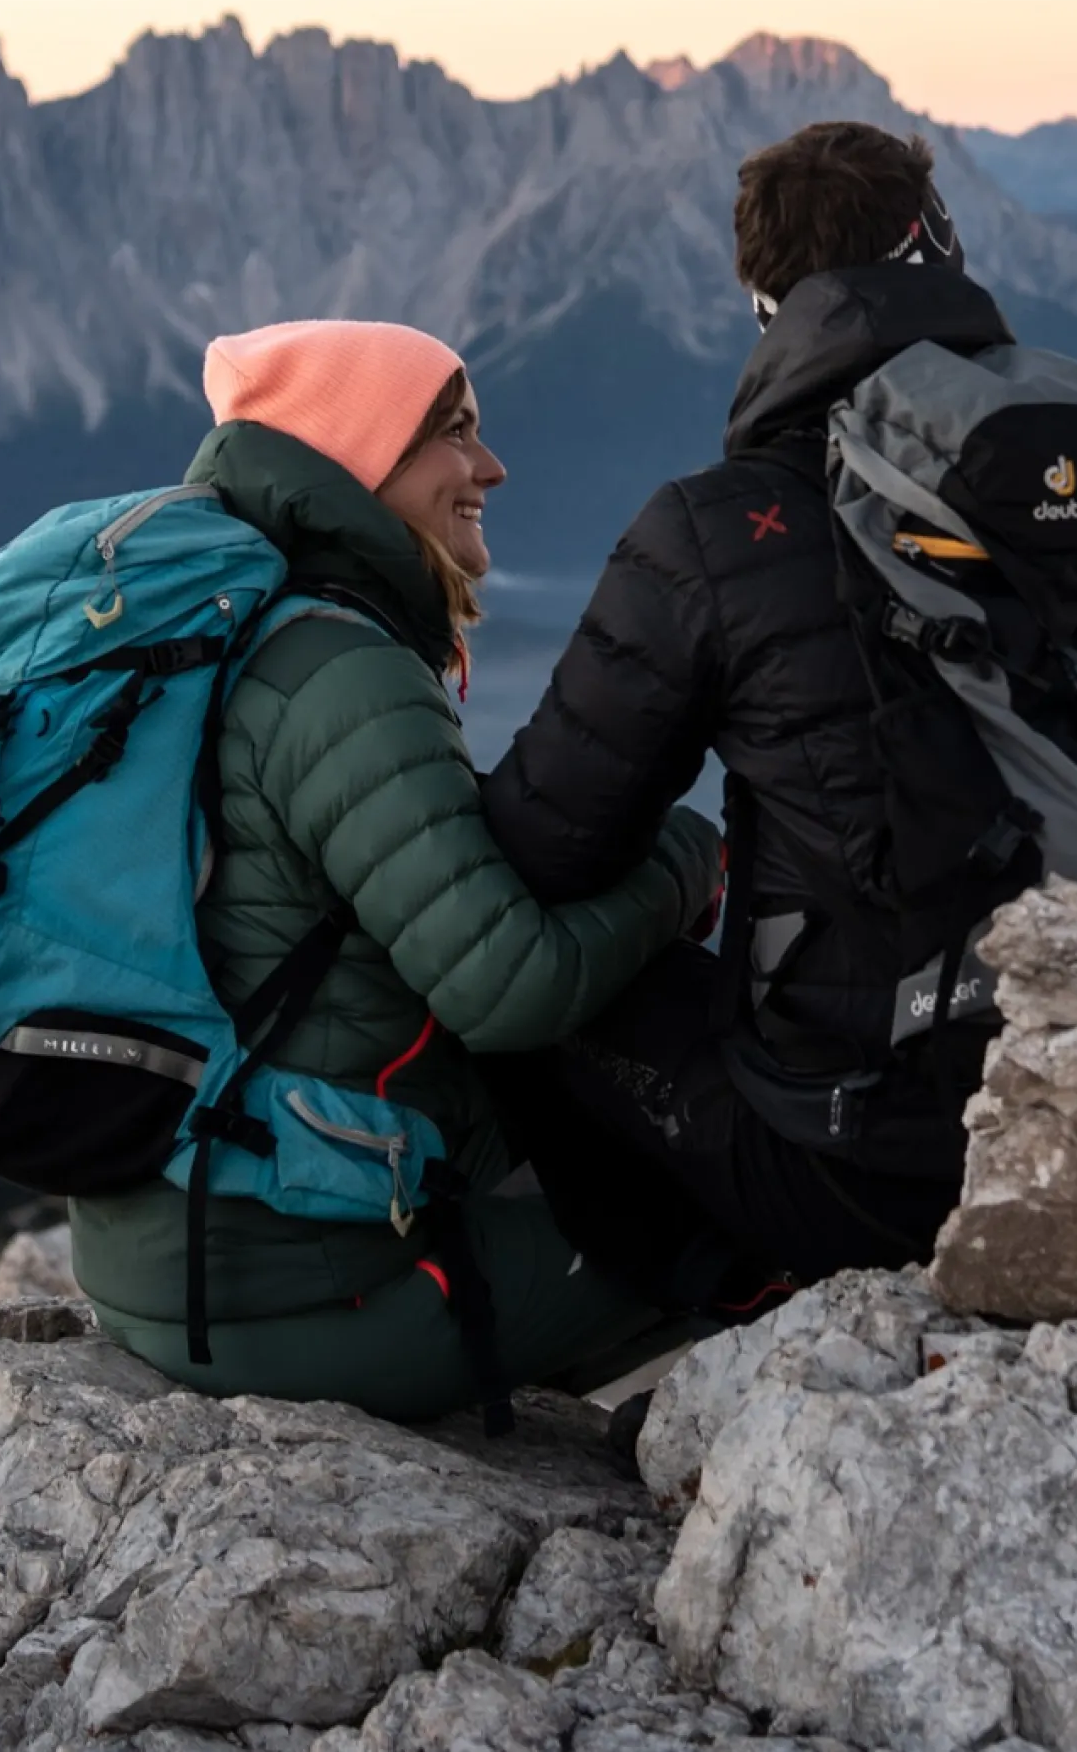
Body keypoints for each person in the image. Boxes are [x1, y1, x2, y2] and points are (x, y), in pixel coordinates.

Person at [68, 317, 725, 1417]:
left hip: (176, 1265)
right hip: (303, 1300)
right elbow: (503, 987)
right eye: (453, 434)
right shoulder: (337, 672)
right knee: (743, 1211)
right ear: (361, 454)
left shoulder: (239, 634)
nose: (491, 467)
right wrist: (686, 864)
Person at [480, 122, 1019, 1284]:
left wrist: (685, 867)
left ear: (762, 301)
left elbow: (541, 847)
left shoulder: (719, 529)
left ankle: (715, 1320)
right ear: (940, 247)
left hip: (864, 1170)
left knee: (507, 988)